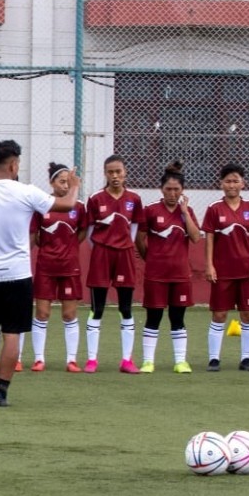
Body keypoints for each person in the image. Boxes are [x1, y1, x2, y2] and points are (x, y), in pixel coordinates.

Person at [0, 140, 81, 408]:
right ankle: (0, 394)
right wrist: (75, 184)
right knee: (12, 333)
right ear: (14, 164)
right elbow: (67, 205)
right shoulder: (27, 192)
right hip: (17, 275)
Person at [135, 162, 200, 374]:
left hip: (180, 275)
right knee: (153, 317)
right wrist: (150, 258)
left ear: (183, 190)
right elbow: (140, 238)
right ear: (161, 189)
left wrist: (185, 213)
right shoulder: (151, 210)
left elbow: (196, 237)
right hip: (156, 275)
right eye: (168, 189)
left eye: (176, 189)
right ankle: (148, 361)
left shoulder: (187, 212)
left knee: (177, 317)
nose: (172, 193)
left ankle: (180, 361)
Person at [202, 162, 249, 372]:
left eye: (235, 181)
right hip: (223, 271)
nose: (232, 185)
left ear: (243, 183)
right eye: (228, 181)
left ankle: (246, 359)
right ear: (221, 184)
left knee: (248, 314)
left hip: (246, 271)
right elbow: (209, 238)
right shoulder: (214, 209)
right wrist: (209, 265)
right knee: (219, 314)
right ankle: (214, 359)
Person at [85, 154, 143, 374]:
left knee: (125, 308)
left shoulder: (134, 199)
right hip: (101, 254)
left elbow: (134, 227)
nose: (115, 176)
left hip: (125, 255)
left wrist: (125, 244)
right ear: (105, 174)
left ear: (125, 172)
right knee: (97, 308)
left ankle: (127, 360)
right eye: (110, 172)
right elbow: (90, 232)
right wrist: (102, 247)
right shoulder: (96, 198)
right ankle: (92, 360)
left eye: (118, 171)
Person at [30, 162, 88, 372]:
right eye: (61, 181)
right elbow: (35, 236)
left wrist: (68, 249)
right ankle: (39, 359)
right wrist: (49, 249)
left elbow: (82, 233)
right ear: (51, 182)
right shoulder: (42, 205)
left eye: (68, 182)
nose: (65, 186)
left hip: (69, 267)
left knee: (69, 314)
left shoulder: (79, 207)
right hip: (45, 266)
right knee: (42, 313)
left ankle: (71, 360)